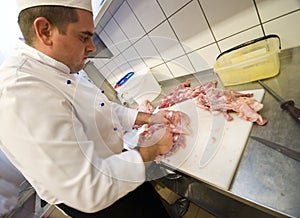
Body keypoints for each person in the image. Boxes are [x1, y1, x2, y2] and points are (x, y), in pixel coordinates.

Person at [0, 0, 189, 217]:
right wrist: (152, 148)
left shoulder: (58, 66)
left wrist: (149, 118)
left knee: (154, 206)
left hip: (118, 161)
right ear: (45, 31)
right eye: (84, 37)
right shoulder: (19, 91)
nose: (92, 47)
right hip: (101, 201)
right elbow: (88, 188)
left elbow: (101, 109)